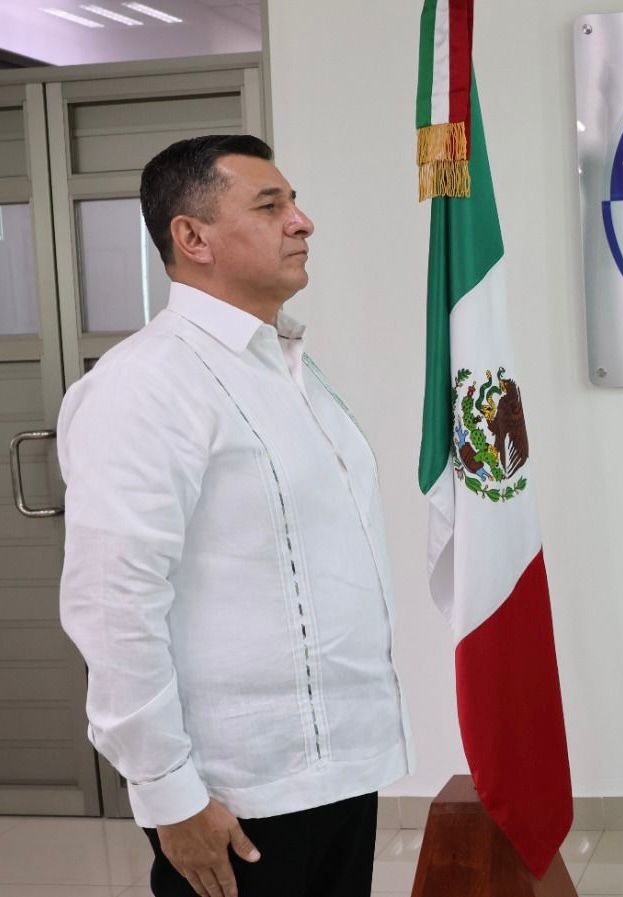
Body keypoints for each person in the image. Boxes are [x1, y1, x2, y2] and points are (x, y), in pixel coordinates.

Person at [58, 134, 412, 897]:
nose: (302, 221)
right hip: (237, 797)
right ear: (192, 237)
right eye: (270, 204)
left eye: (293, 201)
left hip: (336, 773)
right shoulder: (145, 386)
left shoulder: (288, 368)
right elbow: (113, 604)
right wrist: (167, 792)